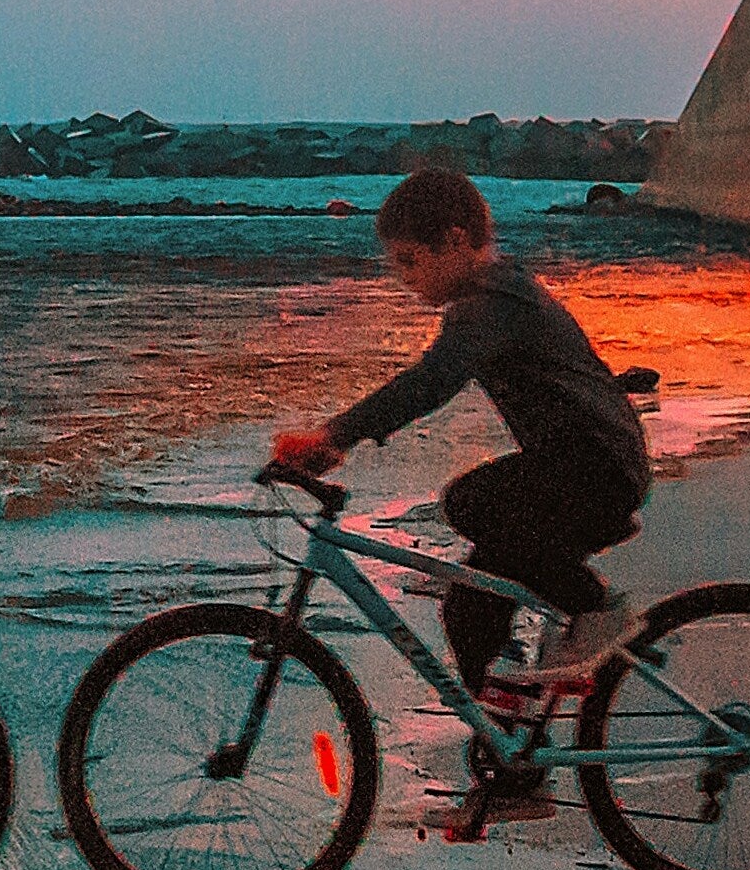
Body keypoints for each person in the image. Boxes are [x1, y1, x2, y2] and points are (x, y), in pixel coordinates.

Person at [263, 164, 649, 733]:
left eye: (410, 262)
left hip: (596, 470)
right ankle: (511, 764)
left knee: (472, 501)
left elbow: (431, 381)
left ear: (456, 241)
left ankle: (596, 609)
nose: (403, 279)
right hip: (578, 468)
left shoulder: (493, 302)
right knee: (468, 607)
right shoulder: (492, 292)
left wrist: (335, 436)